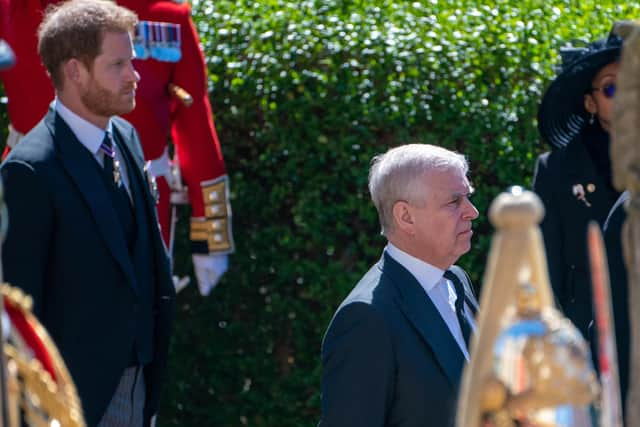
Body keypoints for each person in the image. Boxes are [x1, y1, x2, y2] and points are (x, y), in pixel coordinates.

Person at [0, 1, 175, 426]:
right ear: (75, 71)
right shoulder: (29, 169)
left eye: (131, 61)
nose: (135, 75)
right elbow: (22, 320)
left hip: (141, 381)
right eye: (118, 65)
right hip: (75, 399)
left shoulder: (127, 137)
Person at [0, 0, 233, 296]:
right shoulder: (12, 9)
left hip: (132, 200)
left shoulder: (164, 16)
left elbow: (195, 126)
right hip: (34, 194)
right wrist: (211, 234)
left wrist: (211, 231)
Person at [319, 143, 480, 427]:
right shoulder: (366, 318)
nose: (472, 211)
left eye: (468, 197)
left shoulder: (456, 279)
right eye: (454, 201)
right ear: (405, 217)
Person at [532, 31, 623, 340]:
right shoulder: (556, 170)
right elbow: (546, 267)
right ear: (590, 102)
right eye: (612, 87)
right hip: (587, 332)